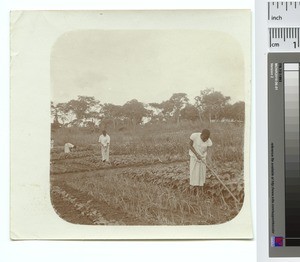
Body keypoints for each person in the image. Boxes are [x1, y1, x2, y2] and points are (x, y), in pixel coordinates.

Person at [189, 129, 212, 195]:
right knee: (194, 174)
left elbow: (209, 152)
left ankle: (199, 193)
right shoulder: (195, 136)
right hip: (194, 158)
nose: (205, 140)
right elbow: (190, 145)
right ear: (201, 135)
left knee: (201, 175)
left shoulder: (208, 141)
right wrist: (196, 154)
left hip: (202, 159)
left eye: (206, 139)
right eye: (204, 138)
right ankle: (192, 192)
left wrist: (210, 161)